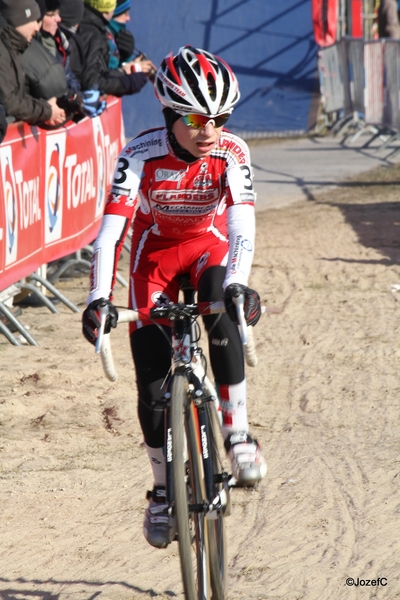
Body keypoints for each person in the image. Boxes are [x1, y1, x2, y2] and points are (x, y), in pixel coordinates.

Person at [82, 46, 267, 549]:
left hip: (206, 248)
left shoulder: (231, 151)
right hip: (155, 257)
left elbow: (240, 223)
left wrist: (237, 283)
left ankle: (238, 435)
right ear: (169, 112)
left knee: (221, 299)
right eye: (195, 117)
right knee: (152, 385)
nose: (209, 129)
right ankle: (163, 491)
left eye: (220, 118)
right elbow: (111, 233)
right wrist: (99, 298)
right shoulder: (139, 154)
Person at [0, 0, 65, 127]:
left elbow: (17, 95)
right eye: (32, 21)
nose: (37, 27)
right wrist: (46, 111)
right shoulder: (3, 52)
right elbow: (9, 103)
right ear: (19, 21)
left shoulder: (13, 48)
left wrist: (47, 108)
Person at [78, 0, 154, 97]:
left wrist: (125, 59)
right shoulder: (93, 35)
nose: (128, 18)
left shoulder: (94, 31)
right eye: (125, 13)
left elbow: (101, 72)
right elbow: (92, 82)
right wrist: (126, 77)